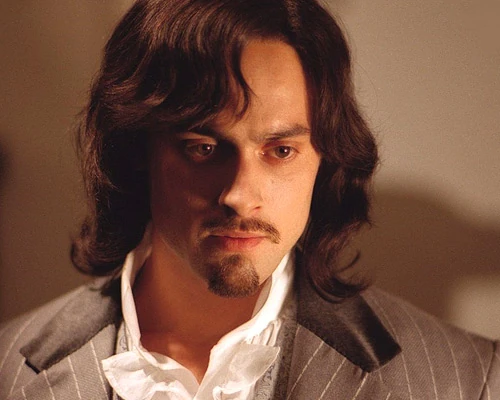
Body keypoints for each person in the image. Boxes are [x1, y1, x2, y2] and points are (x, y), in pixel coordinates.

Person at [1, 0, 499, 398]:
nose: (239, 195)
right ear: (136, 152)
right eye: (202, 148)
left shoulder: (467, 379)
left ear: (326, 160)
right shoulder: (9, 370)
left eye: (280, 151)